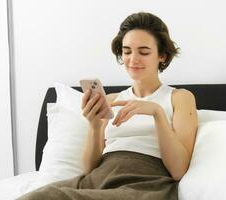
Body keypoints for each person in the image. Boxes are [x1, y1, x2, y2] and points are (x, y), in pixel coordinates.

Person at [17, 11, 198, 200]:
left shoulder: (180, 98)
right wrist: (95, 127)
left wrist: (157, 113)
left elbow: (178, 171)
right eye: (127, 51)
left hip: (146, 184)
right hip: (99, 179)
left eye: (143, 52)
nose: (133, 59)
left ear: (162, 55)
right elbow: (88, 169)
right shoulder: (111, 100)